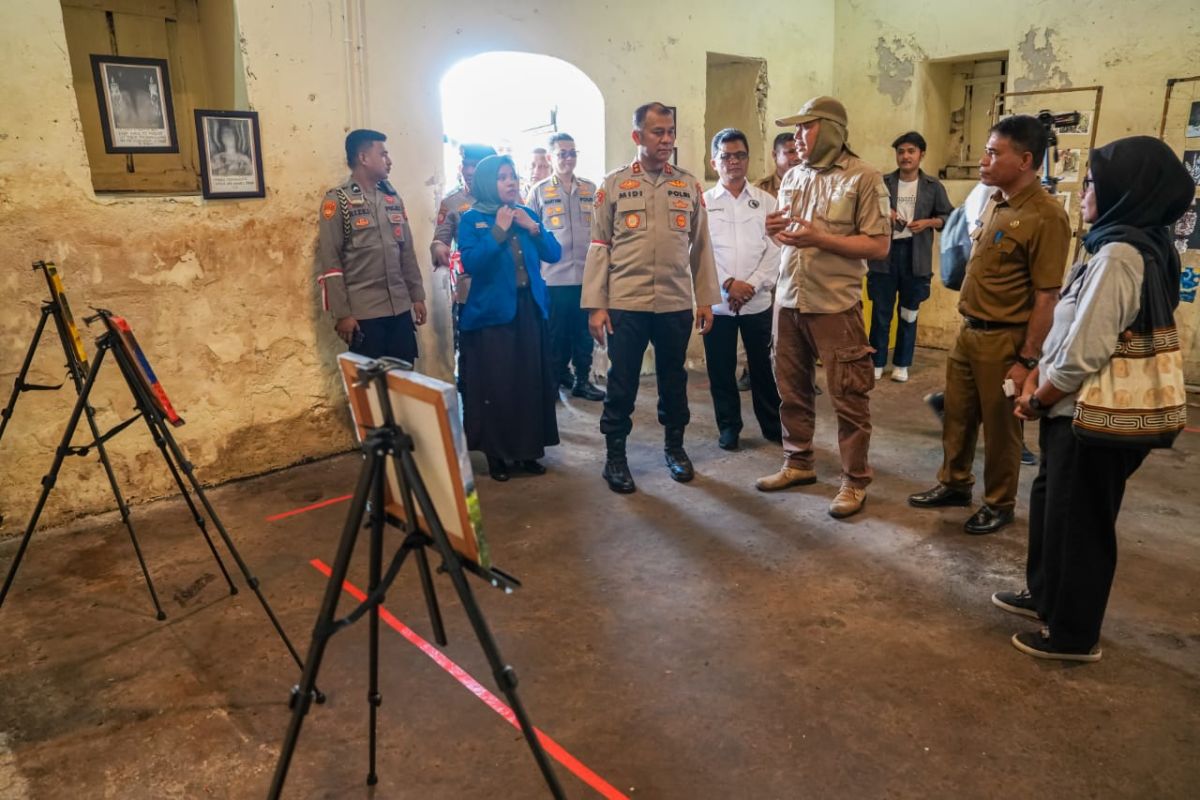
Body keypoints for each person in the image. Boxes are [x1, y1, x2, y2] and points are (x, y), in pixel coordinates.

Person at [993, 137, 1192, 662]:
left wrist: (1038, 397)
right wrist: (1038, 379)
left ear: (1124, 191)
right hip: (1068, 407)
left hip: (1090, 413)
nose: (1083, 191)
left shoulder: (1121, 255)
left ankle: (1073, 633)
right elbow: (1073, 335)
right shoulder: (1121, 243)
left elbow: (1087, 351)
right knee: (1053, 507)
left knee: (1080, 522)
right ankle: (1046, 596)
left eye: (1092, 183)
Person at [908, 115, 1070, 535]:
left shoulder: (1045, 215)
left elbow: (1047, 296)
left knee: (1001, 430)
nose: (983, 160)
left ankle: (998, 503)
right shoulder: (997, 201)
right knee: (958, 416)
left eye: (995, 153)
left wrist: (1027, 359)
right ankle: (954, 484)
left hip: (1005, 340)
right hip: (970, 332)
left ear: (1026, 160)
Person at [754, 96, 890, 520]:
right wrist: (774, 229)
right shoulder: (793, 176)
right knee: (790, 388)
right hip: (789, 298)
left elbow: (879, 245)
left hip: (834, 304)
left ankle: (854, 480)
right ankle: (798, 463)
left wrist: (821, 239)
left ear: (830, 129)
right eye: (794, 131)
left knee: (849, 395)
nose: (796, 138)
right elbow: (788, 233)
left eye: (805, 128)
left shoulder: (865, 178)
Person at [582, 101, 720, 494]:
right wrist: (597, 304)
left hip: (675, 303)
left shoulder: (688, 185)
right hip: (627, 303)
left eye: (671, 132)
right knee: (621, 381)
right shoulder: (614, 184)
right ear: (637, 136)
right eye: (658, 132)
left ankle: (675, 449)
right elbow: (599, 247)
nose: (666, 139)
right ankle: (616, 458)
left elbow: (701, 248)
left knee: (673, 381)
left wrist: (706, 300)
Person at [456, 155, 562, 481]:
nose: (511, 182)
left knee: (529, 383)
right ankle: (498, 456)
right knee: (498, 387)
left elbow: (554, 254)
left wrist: (535, 229)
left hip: (529, 311)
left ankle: (528, 452)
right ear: (489, 182)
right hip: (491, 317)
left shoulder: (527, 213)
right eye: (503, 177)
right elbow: (472, 262)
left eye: (513, 176)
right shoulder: (472, 219)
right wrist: (499, 231)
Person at [315, 129, 426, 362]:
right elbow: (331, 262)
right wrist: (343, 314)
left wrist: (417, 296)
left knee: (405, 380)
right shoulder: (338, 202)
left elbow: (406, 252)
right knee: (371, 389)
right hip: (364, 314)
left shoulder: (392, 200)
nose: (389, 161)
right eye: (383, 154)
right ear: (364, 158)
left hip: (399, 309)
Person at [702, 128, 782, 450]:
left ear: (748, 159)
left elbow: (776, 248)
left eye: (740, 155)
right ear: (714, 162)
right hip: (718, 305)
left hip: (756, 301)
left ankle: (771, 425)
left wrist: (751, 285)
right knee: (721, 371)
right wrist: (727, 285)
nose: (733, 162)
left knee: (764, 369)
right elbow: (699, 250)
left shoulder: (766, 201)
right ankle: (729, 427)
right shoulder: (703, 203)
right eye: (726, 156)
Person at [867, 131, 953, 383]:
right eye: (901, 151)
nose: (905, 156)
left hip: (915, 259)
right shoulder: (883, 182)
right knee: (881, 313)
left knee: (909, 313)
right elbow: (867, 210)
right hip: (885, 255)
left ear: (921, 155)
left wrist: (929, 222)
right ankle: (877, 361)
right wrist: (888, 213)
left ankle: (902, 363)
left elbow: (949, 217)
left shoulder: (933, 186)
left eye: (911, 151)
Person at [525, 133, 605, 401]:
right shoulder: (539, 191)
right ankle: (555, 381)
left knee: (584, 333)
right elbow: (529, 234)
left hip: (585, 277)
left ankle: (582, 380)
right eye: (562, 154)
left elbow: (602, 228)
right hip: (554, 279)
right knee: (556, 335)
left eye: (572, 153)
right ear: (551, 158)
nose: (568, 158)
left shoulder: (590, 189)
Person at [432, 143, 498, 352]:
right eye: (465, 165)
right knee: (472, 349)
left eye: (475, 166)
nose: (469, 171)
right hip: (470, 290)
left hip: (503, 288)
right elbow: (439, 240)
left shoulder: (505, 198)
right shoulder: (451, 202)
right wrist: (437, 247)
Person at [754, 131, 801, 198]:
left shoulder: (811, 184)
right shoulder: (761, 189)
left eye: (799, 151)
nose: (797, 157)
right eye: (791, 152)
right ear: (775, 155)